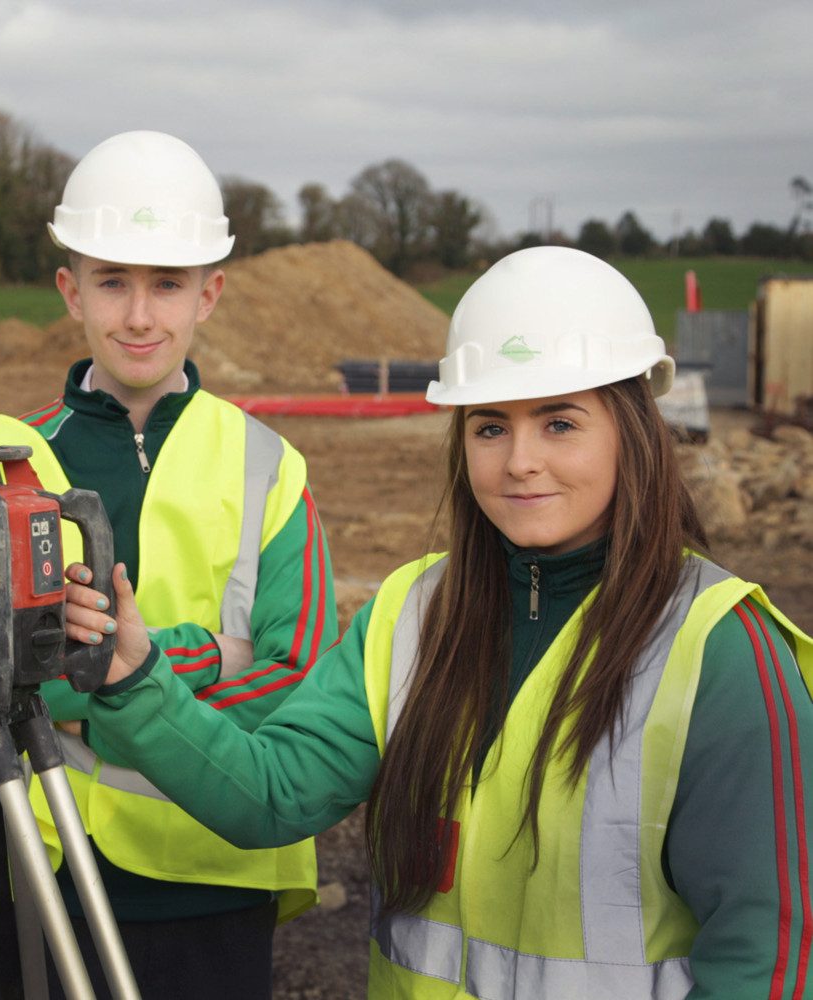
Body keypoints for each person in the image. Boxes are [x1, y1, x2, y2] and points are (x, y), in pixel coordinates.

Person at [61, 244, 813, 999]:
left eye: (559, 424)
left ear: (633, 431)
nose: (519, 461)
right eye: (490, 427)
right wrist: (139, 680)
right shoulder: (411, 616)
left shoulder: (718, 648)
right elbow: (273, 793)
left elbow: (765, 957)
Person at [0, 130, 337, 999]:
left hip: (216, 876)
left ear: (209, 294)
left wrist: (105, 680)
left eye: (167, 284)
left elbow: (300, 679)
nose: (140, 315)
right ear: (71, 291)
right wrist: (210, 652)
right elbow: (4, 678)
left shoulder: (268, 466)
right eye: (113, 282)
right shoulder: (5, 461)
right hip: (45, 862)